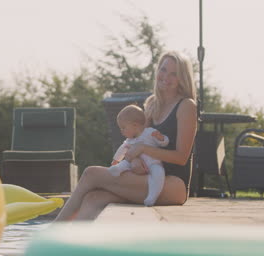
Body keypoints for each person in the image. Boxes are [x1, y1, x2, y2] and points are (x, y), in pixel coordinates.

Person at [54, 50, 197, 221]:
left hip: (173, 185)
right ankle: (75, 244)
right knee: (94, 198)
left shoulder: (186, 106)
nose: (166, 76)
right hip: (147, 176)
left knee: (91, 174)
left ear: (182, 78)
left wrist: (142, 149)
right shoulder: (152, 104)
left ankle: (54, 230)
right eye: (163, 70)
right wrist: (135, 159)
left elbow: (181, 157)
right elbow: (139, 139)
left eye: (174, 73)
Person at [108, 104, 169, 206]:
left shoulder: (150, 132)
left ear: (135, 125)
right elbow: (121, 150)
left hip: (154, 163)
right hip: (135, 164)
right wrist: (116, 160)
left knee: (159, 174)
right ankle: (117, 169)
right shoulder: (129, 140)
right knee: (125, 163)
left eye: (123, 128)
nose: (121, 131)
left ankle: (152, 196)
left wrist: (161, 138)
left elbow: (164, 143)